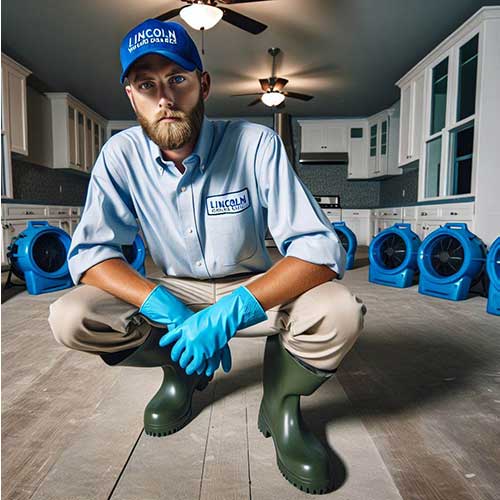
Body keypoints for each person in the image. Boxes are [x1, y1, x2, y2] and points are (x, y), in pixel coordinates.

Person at [48, 18, 366, 494]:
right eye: (146, 84)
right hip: (173, 286)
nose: (165, 99)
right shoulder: (119, 156)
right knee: (71, 316)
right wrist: (164, 307)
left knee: (339, 310)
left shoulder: (256, 144)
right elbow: (92, 256)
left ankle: (280, 405)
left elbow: (320, 251)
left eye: (178, 79)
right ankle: (180, 374)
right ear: (130, 96)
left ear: (204, 85)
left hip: (251, 288)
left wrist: (229, 312)